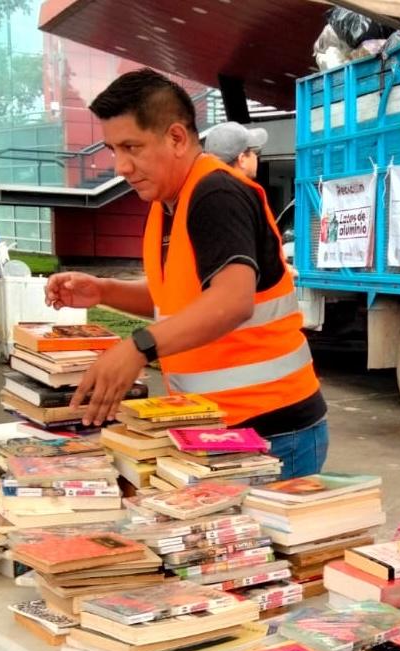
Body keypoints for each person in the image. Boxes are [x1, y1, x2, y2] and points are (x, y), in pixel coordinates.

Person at [46, 70, 328, 479]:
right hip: (219, 427)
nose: (121, 166)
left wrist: (138, 348)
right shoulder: (170, 201)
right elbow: (180, 300)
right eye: (112, 149)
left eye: (132, 147)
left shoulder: (216, 194)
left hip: (272, 429)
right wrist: (104, 290)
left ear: (177, 138)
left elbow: (231, 302)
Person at [203, 121, 268, 180]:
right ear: (242, 160)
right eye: (255, 152)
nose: (256, 157)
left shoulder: (204, 188)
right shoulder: (235, 192)